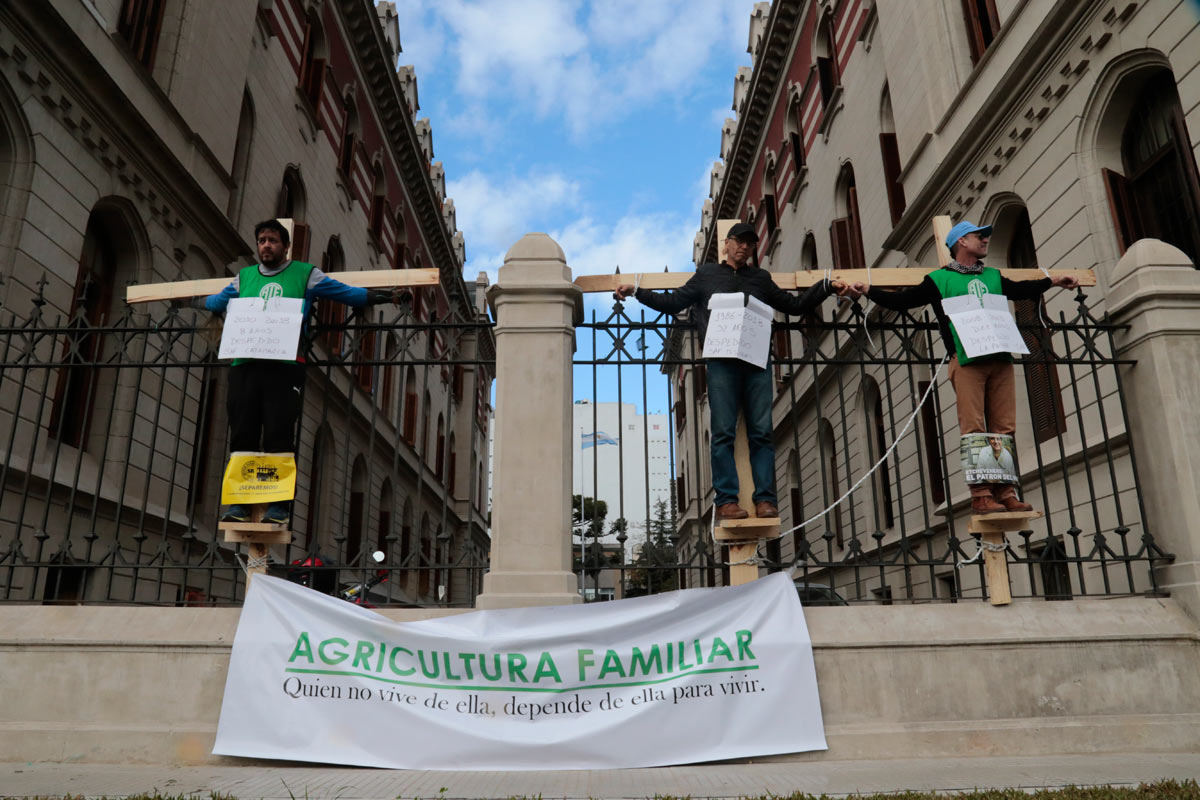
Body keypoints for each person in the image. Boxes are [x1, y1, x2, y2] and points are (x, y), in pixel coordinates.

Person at [614, 222, 855, 521]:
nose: (744, 247)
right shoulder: (706, 275)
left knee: (762, 434)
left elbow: (794, 306)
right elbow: (674, 301)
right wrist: (638, 291)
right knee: (723, 434)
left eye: (750, 243)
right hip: (721, 361)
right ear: (726, 244)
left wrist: (826, 286)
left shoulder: (761, 278)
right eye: (739, 241)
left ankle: (765, 500)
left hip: (756, 362)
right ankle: (726, 501)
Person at [852, 220, 1078, 513]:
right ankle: (981, 494)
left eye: (986, 237)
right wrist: (869, 290)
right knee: (974, 429)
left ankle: (1006, 491)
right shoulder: (939, 280)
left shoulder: (994, 276)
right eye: (978, 236)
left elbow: (1022, 289)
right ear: (961, 242)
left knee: (1004, 428)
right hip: (966, 360)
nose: (985, 240)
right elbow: (904, 301)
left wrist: (1053, 281)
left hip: (1000, 359)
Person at [199, 219, 402, 525]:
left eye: (273, 240)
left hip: (285, 366)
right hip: (245, 365)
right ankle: (239, 505)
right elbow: (217, 301)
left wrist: (387, 297)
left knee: (280, 436)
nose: (266, 245)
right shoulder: (244, 278)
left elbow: (348, 294)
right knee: (243, 435)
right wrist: (188, 300)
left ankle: (279, 507)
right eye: (262, 240)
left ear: (286, 245)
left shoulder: (306, 275)